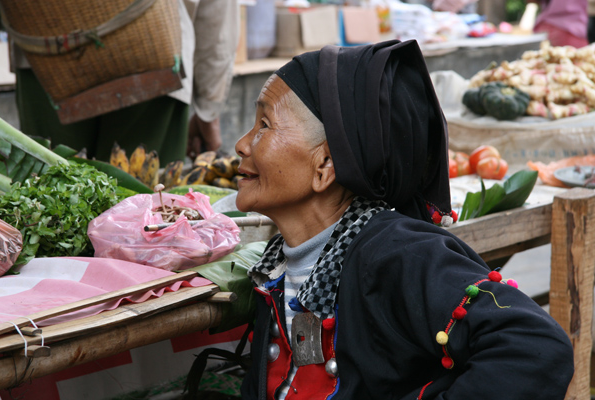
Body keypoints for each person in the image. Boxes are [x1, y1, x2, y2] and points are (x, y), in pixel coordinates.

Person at [234, 39, 574, 399]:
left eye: (264, 125)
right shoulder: (277, 265)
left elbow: (535, 346)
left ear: (325, 165)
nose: (242, 144)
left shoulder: (398, 255)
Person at [0, 0, 238, 165]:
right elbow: (216, 11)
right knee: (145, 212)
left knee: (45, 205)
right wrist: (209, 108)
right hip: (151, 49)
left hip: (46, 48)